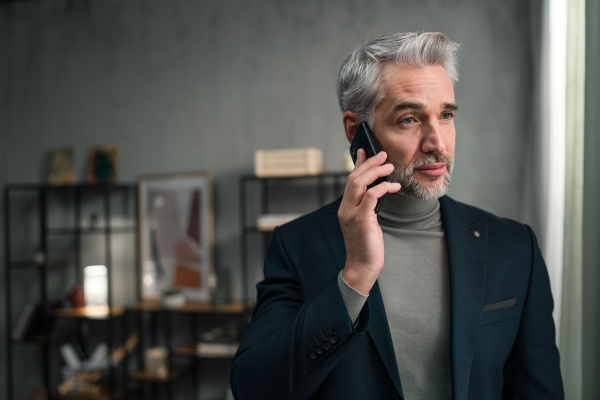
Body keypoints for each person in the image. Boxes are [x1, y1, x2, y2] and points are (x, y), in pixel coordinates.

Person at [230, 32, 563, 400]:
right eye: (409, 119)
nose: (437, 142)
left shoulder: (516, 248)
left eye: (446, 115)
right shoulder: (296, 244)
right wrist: (355, 275)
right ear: (357, 132)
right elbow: (253, 388)